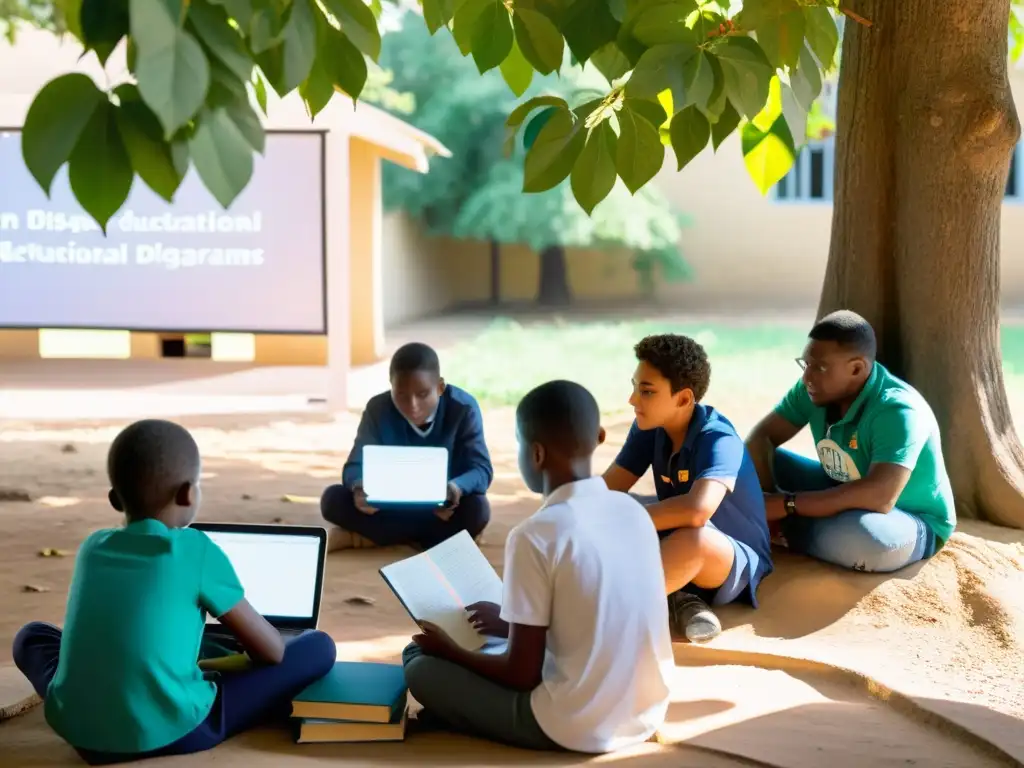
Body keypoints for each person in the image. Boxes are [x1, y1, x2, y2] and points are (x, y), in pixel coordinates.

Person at [11, 420, 337, 765]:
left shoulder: (93, 546)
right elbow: (272, 653)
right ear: (187, 493)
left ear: (114, 499)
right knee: (319, 646)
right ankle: (181, 685)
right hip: (174, 731)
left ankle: (123, 685)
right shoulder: (194, 549)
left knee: (32, 636)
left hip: (79, 731)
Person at [402, 380, 674, 753]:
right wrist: (510, 623)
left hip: (572, 726)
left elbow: (521, 675)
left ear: (537, 454)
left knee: (418, 662)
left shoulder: (534, 534)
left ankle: (463, 712)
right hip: (646, 713)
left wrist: (451, 651)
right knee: (493, 641)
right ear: (597, 437)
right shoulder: (634, 513)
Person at [745, 310, 956, 572]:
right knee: (741, 459)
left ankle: (767, 525)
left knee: (871, 544)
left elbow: (880, 496)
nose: (807, 378)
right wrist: (771, 495)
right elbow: (761, 438)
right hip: (840, 486)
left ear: (856, 368)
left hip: (906, 518)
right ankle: (776, 525)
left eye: (820, 367)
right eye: (806, 364)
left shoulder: (897, 409)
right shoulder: (812, 390)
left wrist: (787, 505)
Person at [603, 334, 773, 644]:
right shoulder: (649, 428)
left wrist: (622, 520)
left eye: (647, 391)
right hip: (672, 540)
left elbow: (697, 511)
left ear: (683, 399)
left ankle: (602, 615)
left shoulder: (719, 439)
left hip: (726, 559)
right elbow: (607, 490)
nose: (632, 400)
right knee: (603, 514)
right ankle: (682, 601)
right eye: (634, 386)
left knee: (690, 537)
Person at [321, 342, 493, 551]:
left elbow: (481, 470)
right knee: (332, 500)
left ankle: (369, 538)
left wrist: (455, 488)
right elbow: (353, 466)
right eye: (401, 395)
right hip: (388, 505)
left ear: (439, 387)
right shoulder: (378, 409)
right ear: (391, 385)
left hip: (441, 508)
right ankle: (433, 540)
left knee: (477, 510)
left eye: (422, 394)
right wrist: (359, 486)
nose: (412, 405)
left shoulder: (463, 408)